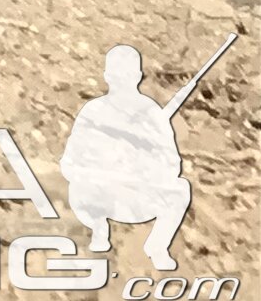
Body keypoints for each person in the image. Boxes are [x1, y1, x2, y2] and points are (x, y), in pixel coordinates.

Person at [61, 45, 195, 271]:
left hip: (137, 198)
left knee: (180, 189)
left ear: (138, 77)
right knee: (78, 186)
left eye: (126, 74)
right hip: (99, 197)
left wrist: (144, 165)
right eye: (117, 75)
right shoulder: (93, 111)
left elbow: (172, 164)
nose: (122, 80)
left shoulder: (151, 113)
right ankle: (98, 229)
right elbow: (69, 162)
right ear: (107, 77)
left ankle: (157, 247)